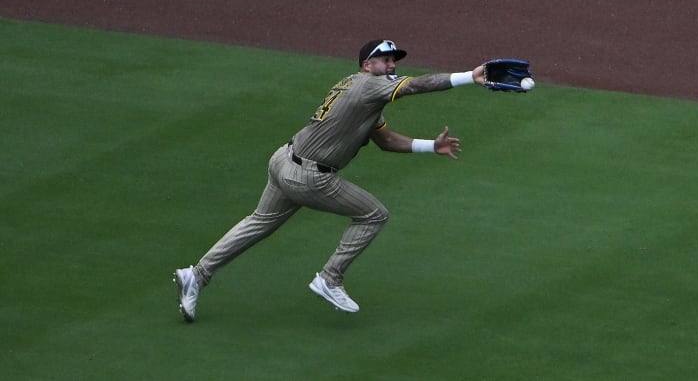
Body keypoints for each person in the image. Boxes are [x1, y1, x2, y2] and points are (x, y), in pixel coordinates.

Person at [174, 39, 487, 321]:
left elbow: (386, 141)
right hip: (309, 177)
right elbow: (416, 86)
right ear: (367, 65)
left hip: (284, 160)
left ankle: (197, 275)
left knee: (259, 222)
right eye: (385, 59)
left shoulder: (360, 92)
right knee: (373, 214)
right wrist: (468, 78)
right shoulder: (369, 85)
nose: (392, 66)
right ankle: (330, 277)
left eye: (394, 60)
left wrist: (430, 146)